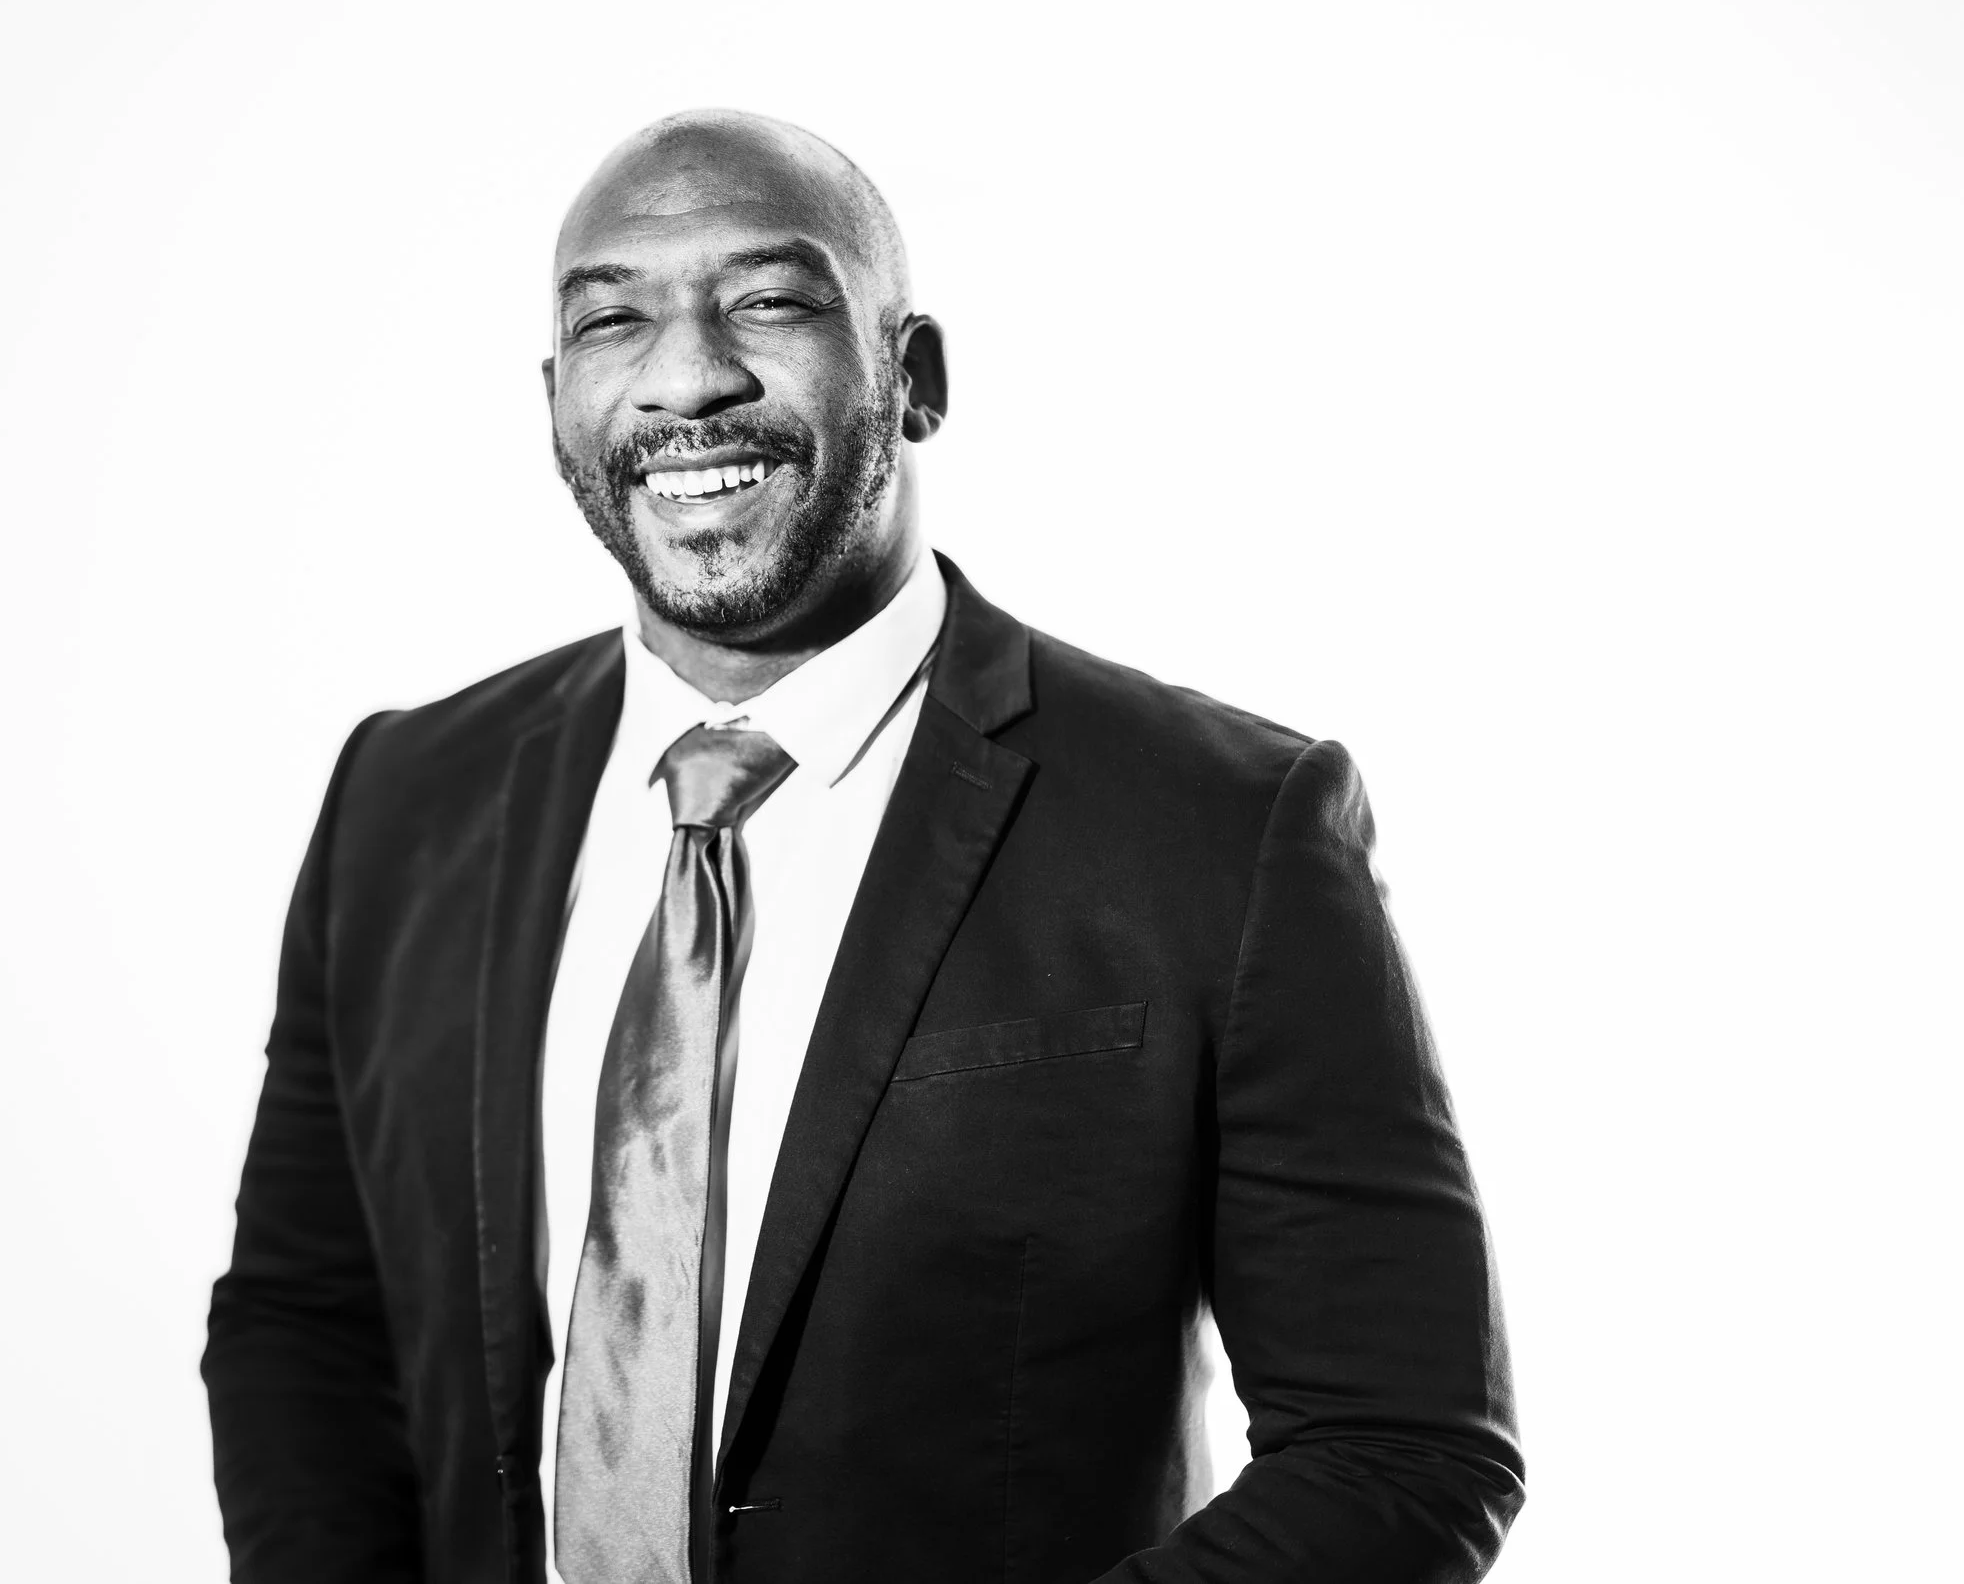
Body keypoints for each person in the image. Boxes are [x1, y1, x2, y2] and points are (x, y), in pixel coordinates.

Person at [202, 110, 1523, 1584]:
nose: (687, 374)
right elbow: (308, 1320)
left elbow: (1403, 1446)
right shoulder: (405, 795)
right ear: (555, 397)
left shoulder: (1224, 826)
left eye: (768, 300)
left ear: (915, 378)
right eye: (613, 318)